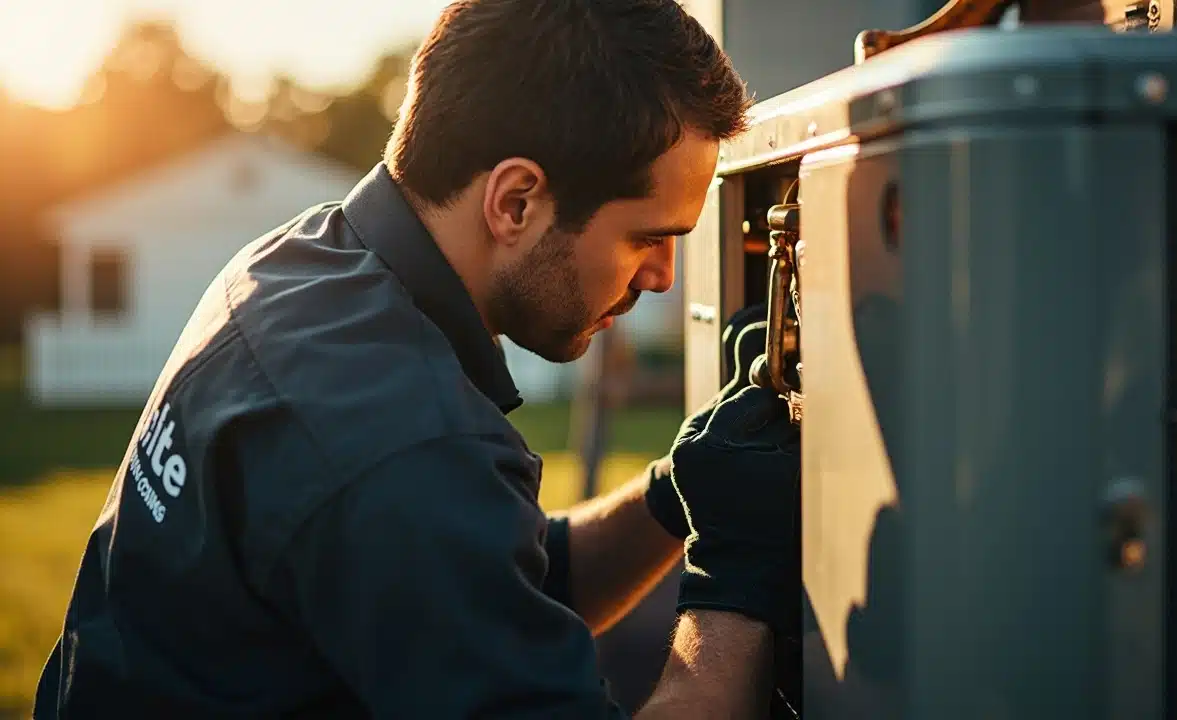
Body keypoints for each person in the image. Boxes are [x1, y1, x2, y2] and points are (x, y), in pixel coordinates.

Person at [33, 1, 801, 717]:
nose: (663, 276)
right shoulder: (402, 441)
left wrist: (680, 488)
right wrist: (736, 574)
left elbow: (498, 583)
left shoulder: (298, 264)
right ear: (515, 203)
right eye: (647, 236)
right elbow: (426, 517)